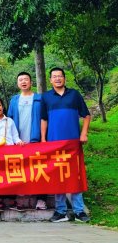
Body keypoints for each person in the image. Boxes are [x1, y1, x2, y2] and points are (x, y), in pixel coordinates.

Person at [41, 67, 91, 223]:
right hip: (55, 143)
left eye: (60, 76)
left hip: (73, 143)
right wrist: (43, 139)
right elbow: (44, 119)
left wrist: (83, 134)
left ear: (64, 78)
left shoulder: (74, 94)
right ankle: (60, 210)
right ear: (50, 80)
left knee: (75, 175)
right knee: (58, 176)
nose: (57, 78)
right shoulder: (46, 97)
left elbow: (86, 115)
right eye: (54, 76)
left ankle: (79, 211)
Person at [7, 71, 47, 210]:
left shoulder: (39, 99)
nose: (23, 82)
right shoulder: (14, 100)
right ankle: (17, 199)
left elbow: (44, 118)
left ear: (31, 82)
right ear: (17, 83)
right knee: (17, 170)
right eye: (21, 80)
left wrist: (43, 138)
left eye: (26, 79)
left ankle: (41, 199)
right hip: (18, 141)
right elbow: (9, 120)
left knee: (39, 170)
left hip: (35, 140)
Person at [0, 98, 25, 212]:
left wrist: (19, 142)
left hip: (10, 152)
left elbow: (15, 136)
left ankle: (13, 201)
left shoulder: (10, 121)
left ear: (3, 107)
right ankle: (0, 201)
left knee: (11, 176)